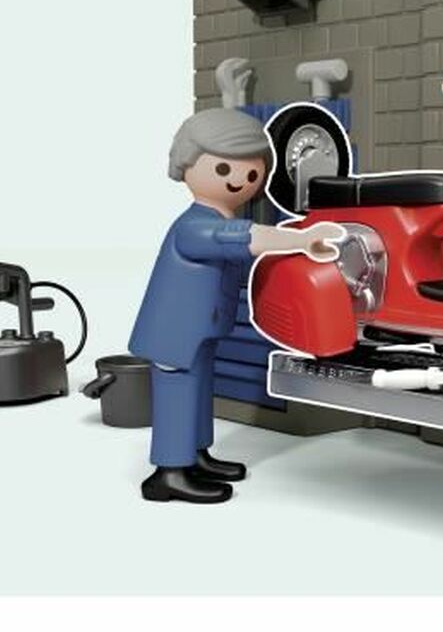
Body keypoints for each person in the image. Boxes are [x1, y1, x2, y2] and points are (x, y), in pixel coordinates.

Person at [128, 107, 343, 504]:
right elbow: (242, 238)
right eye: (224, 169)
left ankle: (195, 456)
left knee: (198, 393)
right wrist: (301, 240)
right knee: (179, 395)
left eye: (251, 172)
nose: (239, 180)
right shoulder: (194, 226)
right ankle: (169, 472)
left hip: (201, 330)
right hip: (176, 335)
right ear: (186, 165)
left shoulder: (213, 220)